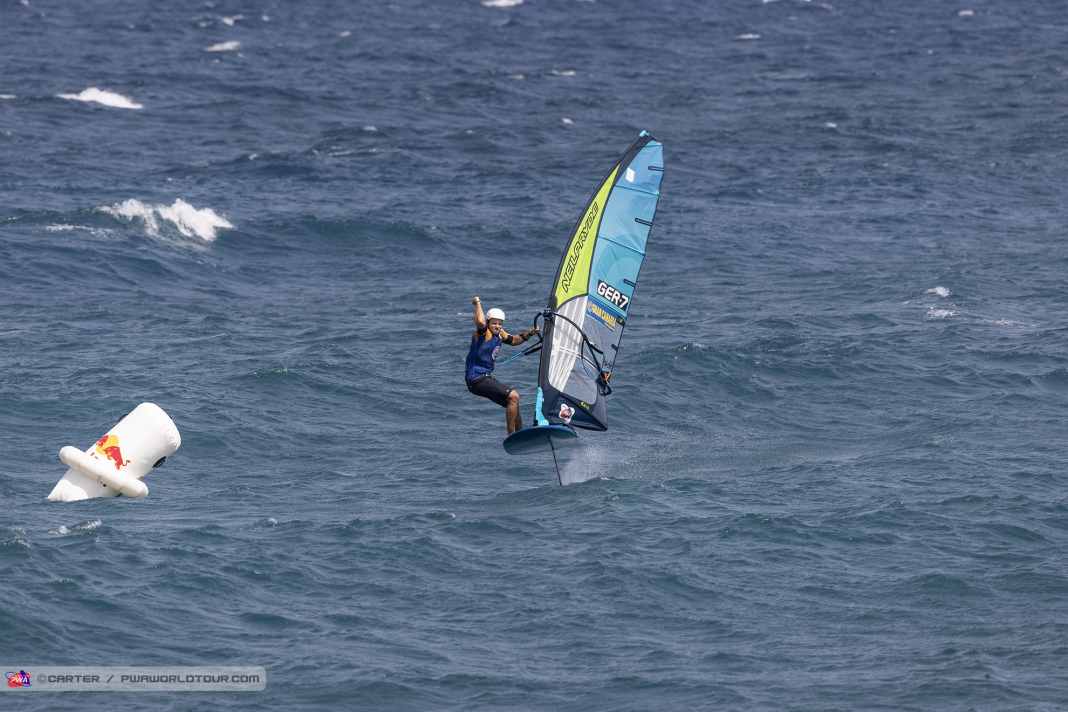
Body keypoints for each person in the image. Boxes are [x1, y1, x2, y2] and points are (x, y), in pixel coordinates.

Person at [465, 296, 538, 434]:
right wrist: (477, 303)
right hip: (476, 378)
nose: (497, 326)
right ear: (488, 323)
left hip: (485, 378)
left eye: (500, 323)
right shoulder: (483, 333)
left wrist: (530, 333)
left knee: (513, 403)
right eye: (494, 323)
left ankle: (520, 434)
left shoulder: (500, 334)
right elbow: (480, 321)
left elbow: (515, 340)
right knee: (514, 396)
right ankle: (511, 435)